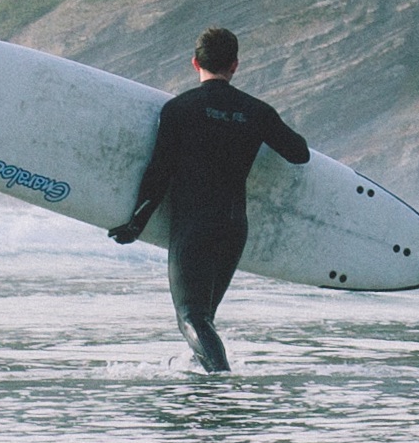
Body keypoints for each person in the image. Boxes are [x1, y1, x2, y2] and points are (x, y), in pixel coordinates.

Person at [110, 24, 309, 373]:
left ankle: (220, 385)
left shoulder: (179, 109)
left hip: (194, 225)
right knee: (205, 317)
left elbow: (159, 172)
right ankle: (206, 387)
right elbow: (299, 153)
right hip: (234, 226)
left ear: (194, 63)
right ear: (235, 65)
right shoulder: (256, 111)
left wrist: (136, 223)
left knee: (191, 318)